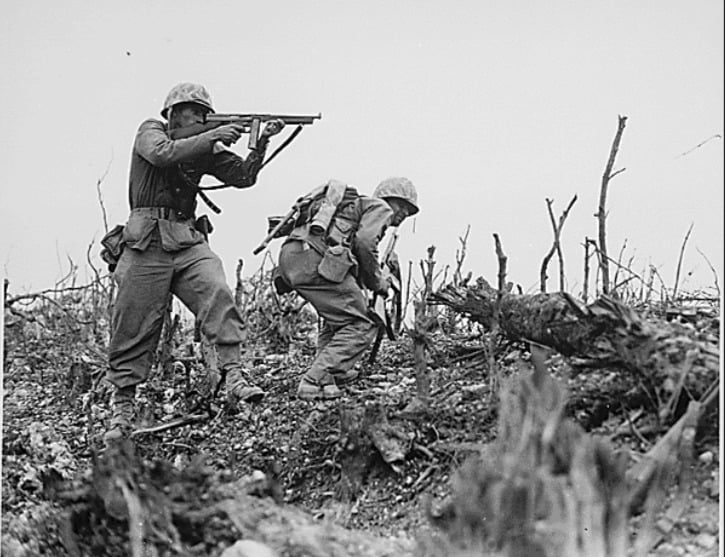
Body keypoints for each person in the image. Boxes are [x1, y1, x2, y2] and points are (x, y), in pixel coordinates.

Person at [104, 82, 285, 444]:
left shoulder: (203, 146)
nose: (200, 116)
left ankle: (233, 374)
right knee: (133, 324)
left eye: (204, 111)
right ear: (172, 113)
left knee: (217, 290)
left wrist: (261, 139)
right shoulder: (151, 130)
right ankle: (122, 410)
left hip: (186, 240)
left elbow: (242, 177)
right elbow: (161, 153)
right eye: (193, 111)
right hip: (146, 244)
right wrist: (214, 134)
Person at [276, 177, 419, 400]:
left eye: (409, 212)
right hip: (313, 258)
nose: (403, 215)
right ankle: (315, 379)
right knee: (362, 323)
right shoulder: (379, 207)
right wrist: (378, 281)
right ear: (389, 199)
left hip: (293, 256)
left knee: (340, 318)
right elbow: (364, 242)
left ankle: (332, 373)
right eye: (402, 206)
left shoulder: (352, 212)